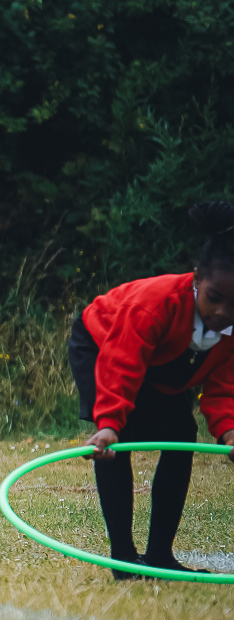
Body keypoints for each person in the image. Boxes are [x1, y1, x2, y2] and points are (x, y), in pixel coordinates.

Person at [67, 201, 234, 580]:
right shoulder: (155, 305)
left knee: (182, 434)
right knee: (114, 442)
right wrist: (108, 421)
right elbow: (121, 364)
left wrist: (228, 432)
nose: (223, 312)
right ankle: (123, 558)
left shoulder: (230, 329)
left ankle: (160, 555)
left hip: (163, 365)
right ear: (195, 281)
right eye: (214, 298)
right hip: (102, 342)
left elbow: (224, 387)